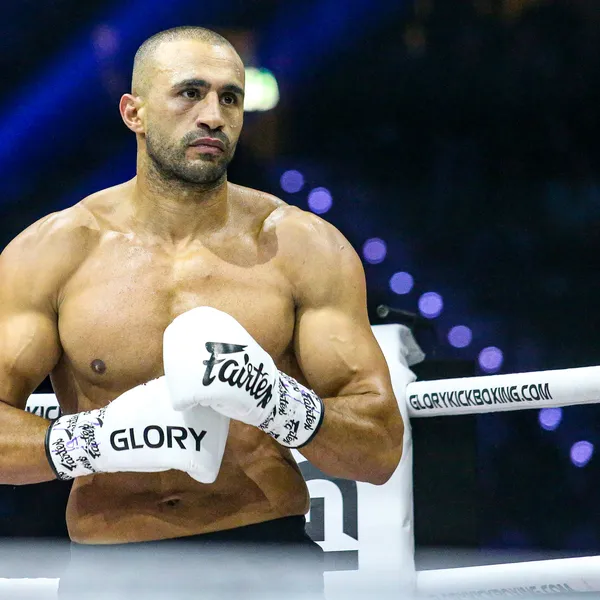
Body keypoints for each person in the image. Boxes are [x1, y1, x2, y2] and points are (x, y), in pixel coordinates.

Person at [0, 26, 404, 598]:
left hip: (263, 554)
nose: (213, 116)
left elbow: (380, 449)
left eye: (230, 98)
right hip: (113, 567)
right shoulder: (52, 253)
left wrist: (278, 403)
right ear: (134, 112)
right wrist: (91, 440)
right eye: (190, 93)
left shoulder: (302, 247)